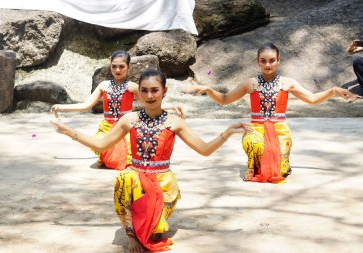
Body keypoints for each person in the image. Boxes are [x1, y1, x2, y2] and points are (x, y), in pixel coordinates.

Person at [52, 69, 252, 252]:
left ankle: (148, 225)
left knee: (153, 231)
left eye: (155, 90)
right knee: (125, 179)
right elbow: (101, 145)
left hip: (162, 184)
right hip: (136, 180)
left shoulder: (174, 122)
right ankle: (132, 234)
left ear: (164, 91)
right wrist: (69, 131)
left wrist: (227, 133)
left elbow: (204, 149)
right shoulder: (130, 119)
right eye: (145, 91)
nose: (149, 96)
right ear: (139, 91)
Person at [188, 42, 357, 183]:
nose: (268, 65)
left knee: (281, 171)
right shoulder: (250, 83)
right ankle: (253, 166)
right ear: (258, 62)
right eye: (263, 61)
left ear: (278, 61)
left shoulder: (288, 83)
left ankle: (282, 163)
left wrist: (334, 90)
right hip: (257, 129)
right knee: (252, 142)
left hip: (279, 130)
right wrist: (208, 89)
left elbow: (312, 99)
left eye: (272, 60)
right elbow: (225, 99)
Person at [51, 50, 182, 170]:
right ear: (110, 66)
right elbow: (85, 105)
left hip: (125, 127)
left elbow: (149, 103)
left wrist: (170, 107)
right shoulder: (104, 86)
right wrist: (61, 107)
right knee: (103, 147)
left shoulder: (132, 87)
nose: (117, 70)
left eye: (121, 66)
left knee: (129, 157)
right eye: (114, 66)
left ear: (128, 67)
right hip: (107, 127)